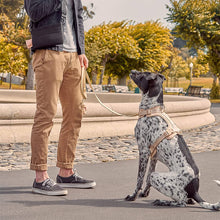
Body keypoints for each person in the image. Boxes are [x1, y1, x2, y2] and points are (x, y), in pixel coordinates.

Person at [24, 0, 96, 196]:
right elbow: (34, 12)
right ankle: (40, 177)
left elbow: (78, 18)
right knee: (45, 114)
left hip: (74, 57)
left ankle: (66, 171)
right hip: (49, 52)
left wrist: (81, 50)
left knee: (75, 113)